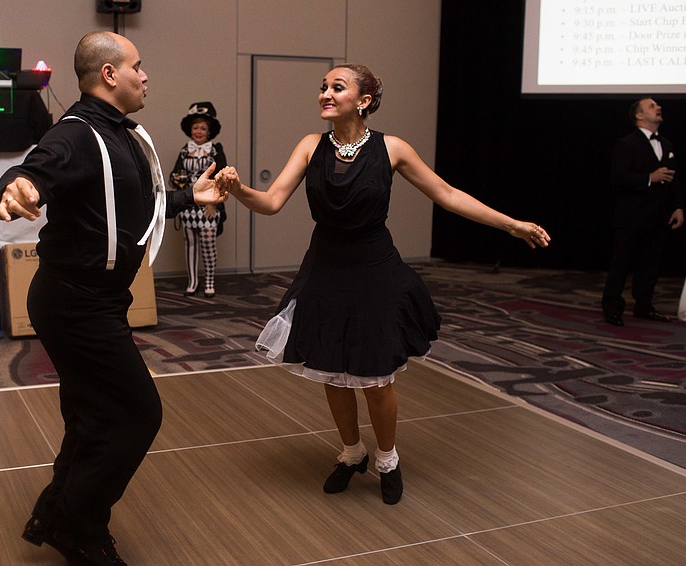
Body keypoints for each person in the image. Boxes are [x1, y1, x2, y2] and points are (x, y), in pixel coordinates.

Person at [215, 64, 550, 505]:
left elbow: (447, 194)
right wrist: (237, 189)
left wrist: (511, 225)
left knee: (375, 379)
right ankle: (353, 453)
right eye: (323, 87)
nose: (325, 94)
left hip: (374, 269)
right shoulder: (309, 146)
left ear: (365, 100)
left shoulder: (391, 149)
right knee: (330, 370)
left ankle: (387, 458)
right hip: (325, 268)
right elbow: (272, 202)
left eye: (337, 87)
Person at [0, 31, 224, 565]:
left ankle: (58, 515)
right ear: (110, 74)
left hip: (96, 298)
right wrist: (16, 186)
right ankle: (79, 526)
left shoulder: (123, 134)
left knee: (92, 416)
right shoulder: (76, 133)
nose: (146, 76)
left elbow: (131, 203)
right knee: (137, 415)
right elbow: (35, 167)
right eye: (138, 66)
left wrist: (192, 195)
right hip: (75, 302)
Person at [602, 97, 684, 326]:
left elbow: (674, 179)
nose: (658, 108)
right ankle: (612, 308)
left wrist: (678, 206)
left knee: (650, 263)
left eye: (657, 106)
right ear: (639, 116)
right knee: (621, 262)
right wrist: (649, 178)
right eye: (651, 106)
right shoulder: (627, 144)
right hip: (630, 215)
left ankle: (644, 306)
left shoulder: (666, 144)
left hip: (658, 215)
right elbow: (618, 178)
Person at [169, 102, 227, 297]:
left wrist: (213, 203)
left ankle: (210, 282)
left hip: (208, 206)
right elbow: (175, 175)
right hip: (189, 205)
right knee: (190, 243)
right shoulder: (185, 151)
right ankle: (192, 282)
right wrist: (177, 180)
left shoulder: (215, 151)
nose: (199, 131)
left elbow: (223, 178)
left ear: (209, 131)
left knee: (208, 244)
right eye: (195, 127)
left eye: (203, 128)